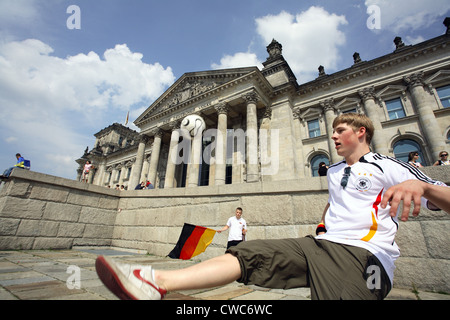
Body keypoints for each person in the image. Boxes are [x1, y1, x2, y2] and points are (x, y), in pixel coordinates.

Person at [95, 113, 447, 300]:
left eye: (340, 130)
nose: (333, 136)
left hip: (363, 258)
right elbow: (335, 203)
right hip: (319, 245)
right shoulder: (335, 170)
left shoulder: (391, 165)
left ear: (362, 133)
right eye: (332, 130)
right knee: (248, 255)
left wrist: (423, 185)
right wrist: (323, 225)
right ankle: (153, 282)